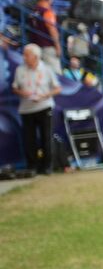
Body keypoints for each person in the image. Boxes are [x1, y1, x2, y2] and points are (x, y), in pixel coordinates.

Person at [13, 43, 61, 174]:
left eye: (26, 54)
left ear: (35, 56)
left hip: (44, 106)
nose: (24, 57)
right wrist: (23, 93)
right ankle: (32, 166)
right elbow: (15, 88)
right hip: (26, 108)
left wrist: (45, 95)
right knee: (29, 139)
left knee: (46, 137)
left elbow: (57, 88)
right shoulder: (20, 69)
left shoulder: (46, 69)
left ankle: (48, 166)